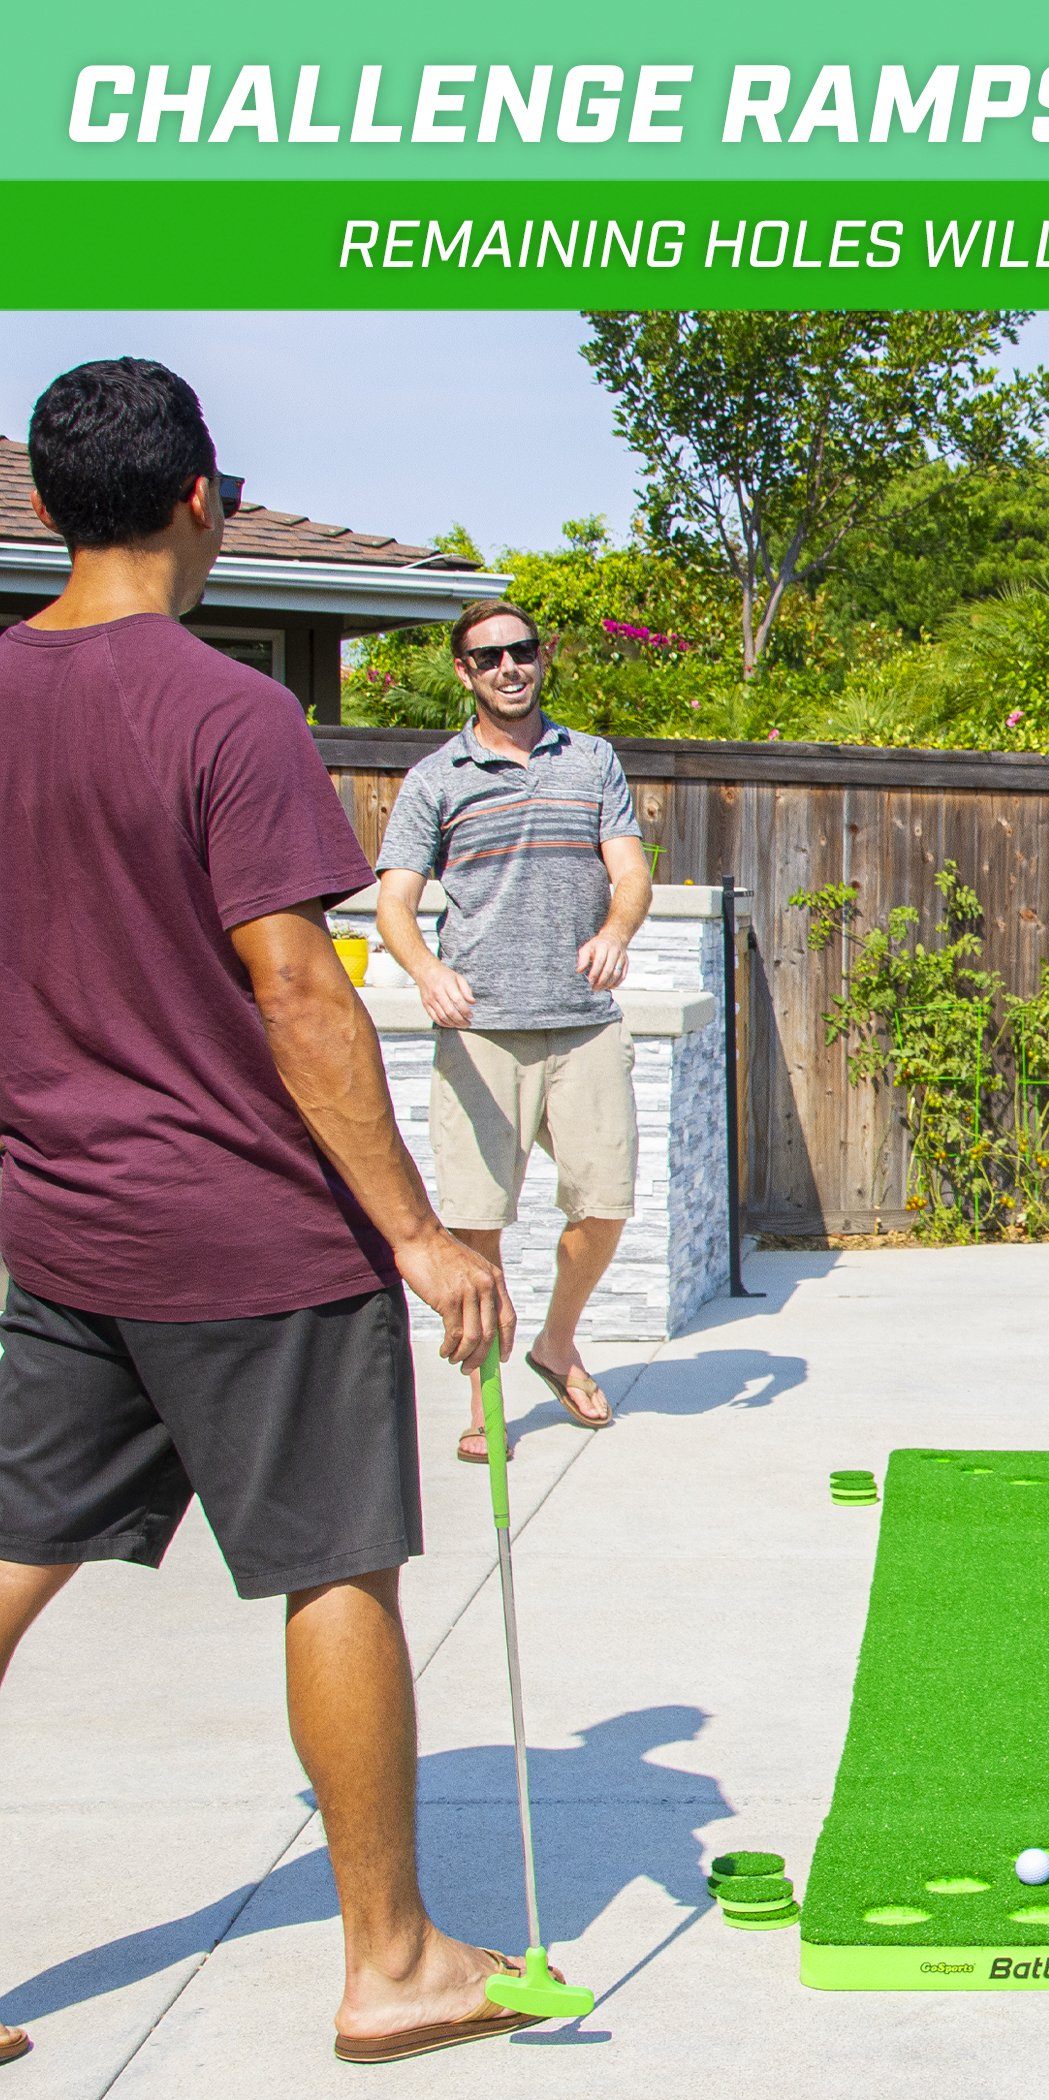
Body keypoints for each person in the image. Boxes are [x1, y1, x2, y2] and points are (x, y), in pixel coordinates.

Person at [0, 358, 533, 2065]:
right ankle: (393, 1964)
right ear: (196, 501)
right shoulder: (229, 710)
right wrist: (419, 1235)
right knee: (336, 1570)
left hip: (58, 1221)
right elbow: (298, 988)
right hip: (244, 1236)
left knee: (11, 1562)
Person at [375, 601, 652, 1462]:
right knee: (476, 1226)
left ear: (543, 658)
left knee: (604, 1203)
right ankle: (483, 1399)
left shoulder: (593, 761)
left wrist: (615, 933)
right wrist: (427, 972)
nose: (508, 668)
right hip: (481, 1032)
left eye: (521, 651)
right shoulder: (436, 779)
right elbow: (394, 901)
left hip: (582, 1028)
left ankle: (555, 1342)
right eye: (488, 656)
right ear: (464, 672)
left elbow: (632, 875)